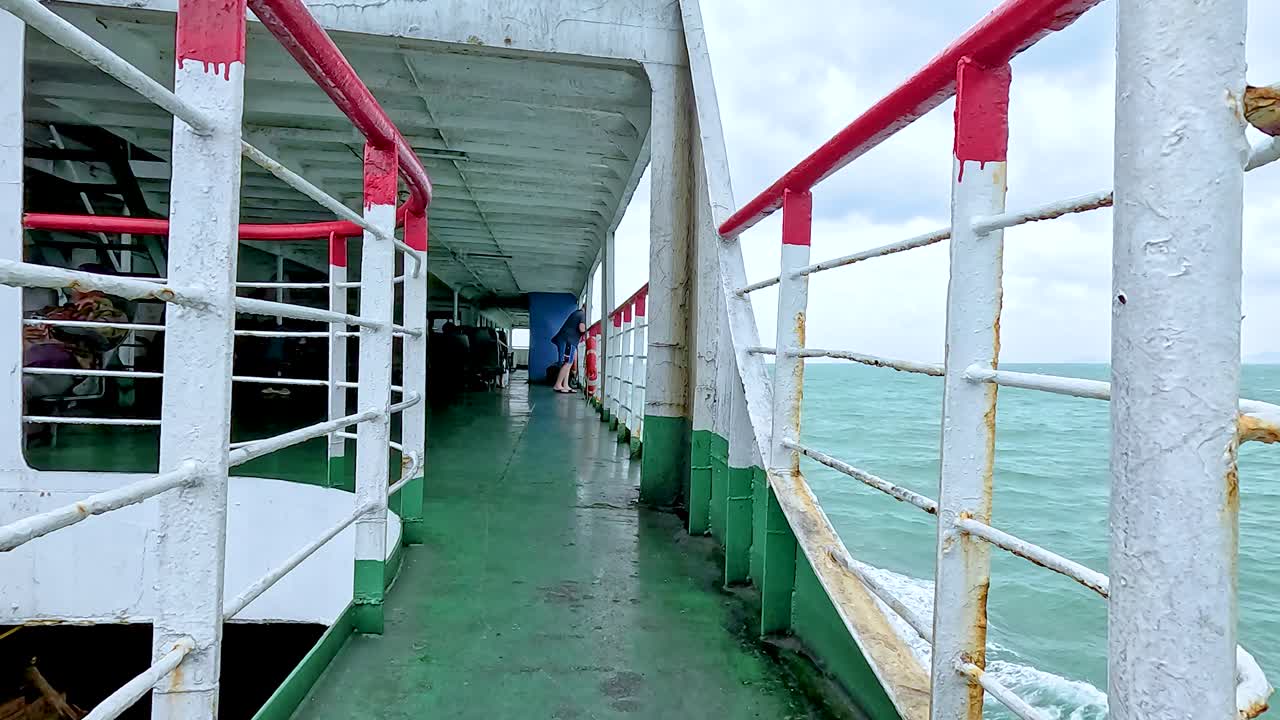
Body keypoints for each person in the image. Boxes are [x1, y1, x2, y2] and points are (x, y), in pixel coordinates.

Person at [550, 305, 585, 393]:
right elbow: (582, 328)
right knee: (568, 363)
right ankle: (557, 385)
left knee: (568, 363)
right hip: (568, 340)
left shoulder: (577, 313)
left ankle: (565, 385)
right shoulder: (582, 314)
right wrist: (589, 328)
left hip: (567, 339)